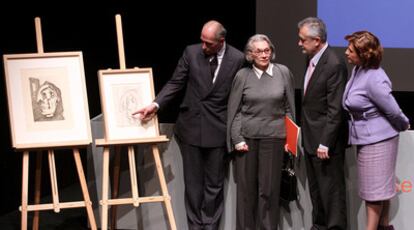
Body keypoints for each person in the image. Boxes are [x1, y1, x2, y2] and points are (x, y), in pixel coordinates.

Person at [133, 20, 245, 230]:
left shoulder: (237, 58)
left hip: (218, 129)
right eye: (202, 41)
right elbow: (176, 82)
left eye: (209, 43)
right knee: (193, 187)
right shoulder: (191, 53)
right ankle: (194, 227)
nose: (203, 46)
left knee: (214, 186)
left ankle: (210, 227)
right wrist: (155, 104)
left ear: (222, 41)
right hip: (191, 127)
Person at [227, 34, 295, 229]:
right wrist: (237, 138)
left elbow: (289, 108)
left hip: (274, 139)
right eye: (259, 51)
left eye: (267, 50)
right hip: (247, 140)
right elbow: (235, 110)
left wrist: (290, 140)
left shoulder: (283, 72)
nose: (264, 55)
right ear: (250, 54)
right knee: (246, 192)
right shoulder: (243, 75)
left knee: (269, 191)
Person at [343, 31, 410, 230]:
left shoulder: (375, 78)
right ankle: (383, 227)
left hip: (379, 140)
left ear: (363, 55)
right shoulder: (358, 70)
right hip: (366, 137)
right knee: (380, 190)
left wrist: (404, 124)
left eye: (350, 50)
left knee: (374, 193)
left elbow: (393, 109)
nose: (346, 52)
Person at [297, 17, 348, 230]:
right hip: (311, 139)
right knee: (317, 193)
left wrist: (325, 142)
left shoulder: (334, 64)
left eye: (302, 40)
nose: (299, 43)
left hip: (325, 144)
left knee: (331, 195)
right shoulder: (311, 58)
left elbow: (335, 109)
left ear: (317, 40)